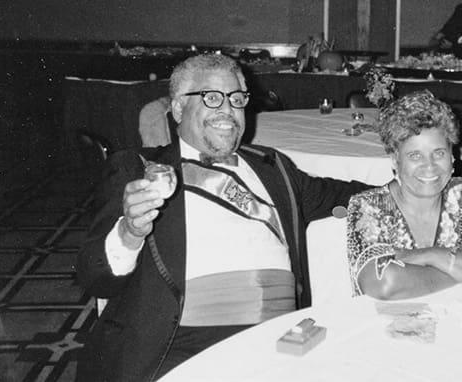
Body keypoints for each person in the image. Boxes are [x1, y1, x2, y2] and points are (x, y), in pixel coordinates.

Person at [76, 53, 369, 381]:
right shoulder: (138, 170)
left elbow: (343, 195)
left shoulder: (272, 166)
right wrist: (130, 232)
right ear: (177, 108)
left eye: (237, 99)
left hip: (281, 343)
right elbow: (94, 277)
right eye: (212, 98)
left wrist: (417, 185)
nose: (228, 111)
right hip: (181, 348)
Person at [346, 90, 462, 300]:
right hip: (388, 326)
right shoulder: (369, 206)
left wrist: (432, 256)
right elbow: (385, 285)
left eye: (439, 153)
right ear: (396, 160)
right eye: (415, 155)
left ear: (452, 156)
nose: (429, 166)